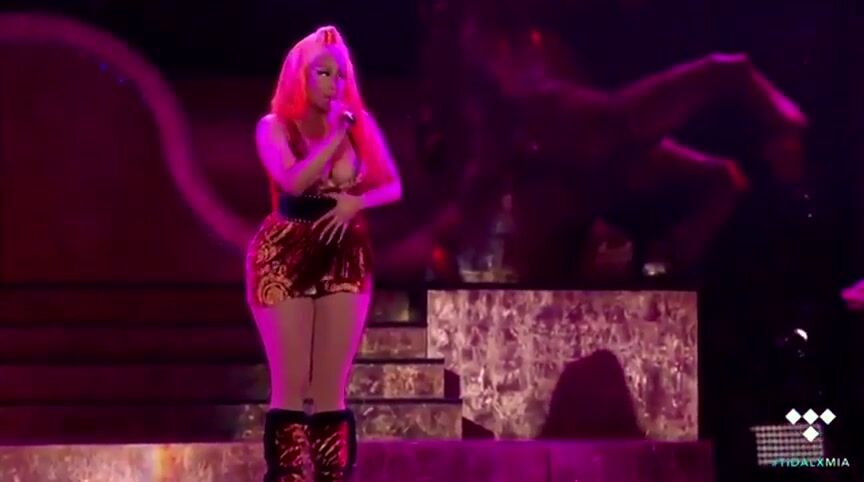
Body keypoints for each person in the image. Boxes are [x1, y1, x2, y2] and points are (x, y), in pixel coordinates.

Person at [387, 0, 806, 284]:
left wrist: (716, 178)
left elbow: (604, 140)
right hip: (490, 241)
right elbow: (597, 127)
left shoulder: (537, 52)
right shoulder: (479, 46)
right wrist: (729, 76)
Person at [246, 26, 402, 482]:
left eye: (341, 74)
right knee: (291, 385)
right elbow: (293, 181)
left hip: (344, 252)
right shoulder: (274, 126)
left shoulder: (360, 123)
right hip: (286, 252)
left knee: (331, 387)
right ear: (301, 76)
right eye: (323, 73)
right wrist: (335, 136)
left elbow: (393, 186)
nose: (335, 83)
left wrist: (358, 201)